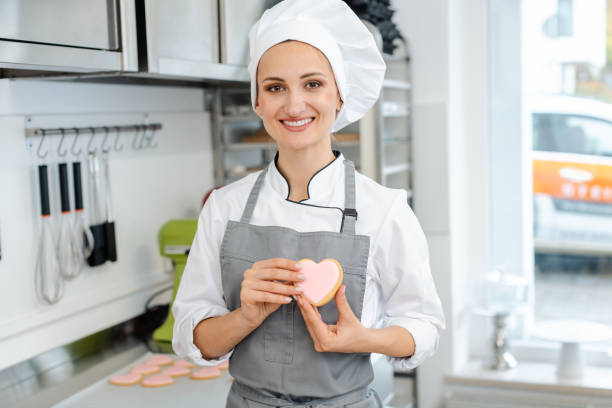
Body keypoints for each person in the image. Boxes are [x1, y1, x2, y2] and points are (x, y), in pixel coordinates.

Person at [172, 0, 446, 406]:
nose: (294, 105)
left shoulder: (383, 209)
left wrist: (364, 338)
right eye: (275, 87)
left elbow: (424, 326)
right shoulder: (224, 207)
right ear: (257, 102)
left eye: (313, 84)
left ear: (339, 96)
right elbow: (196, 341)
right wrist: (245, 316)